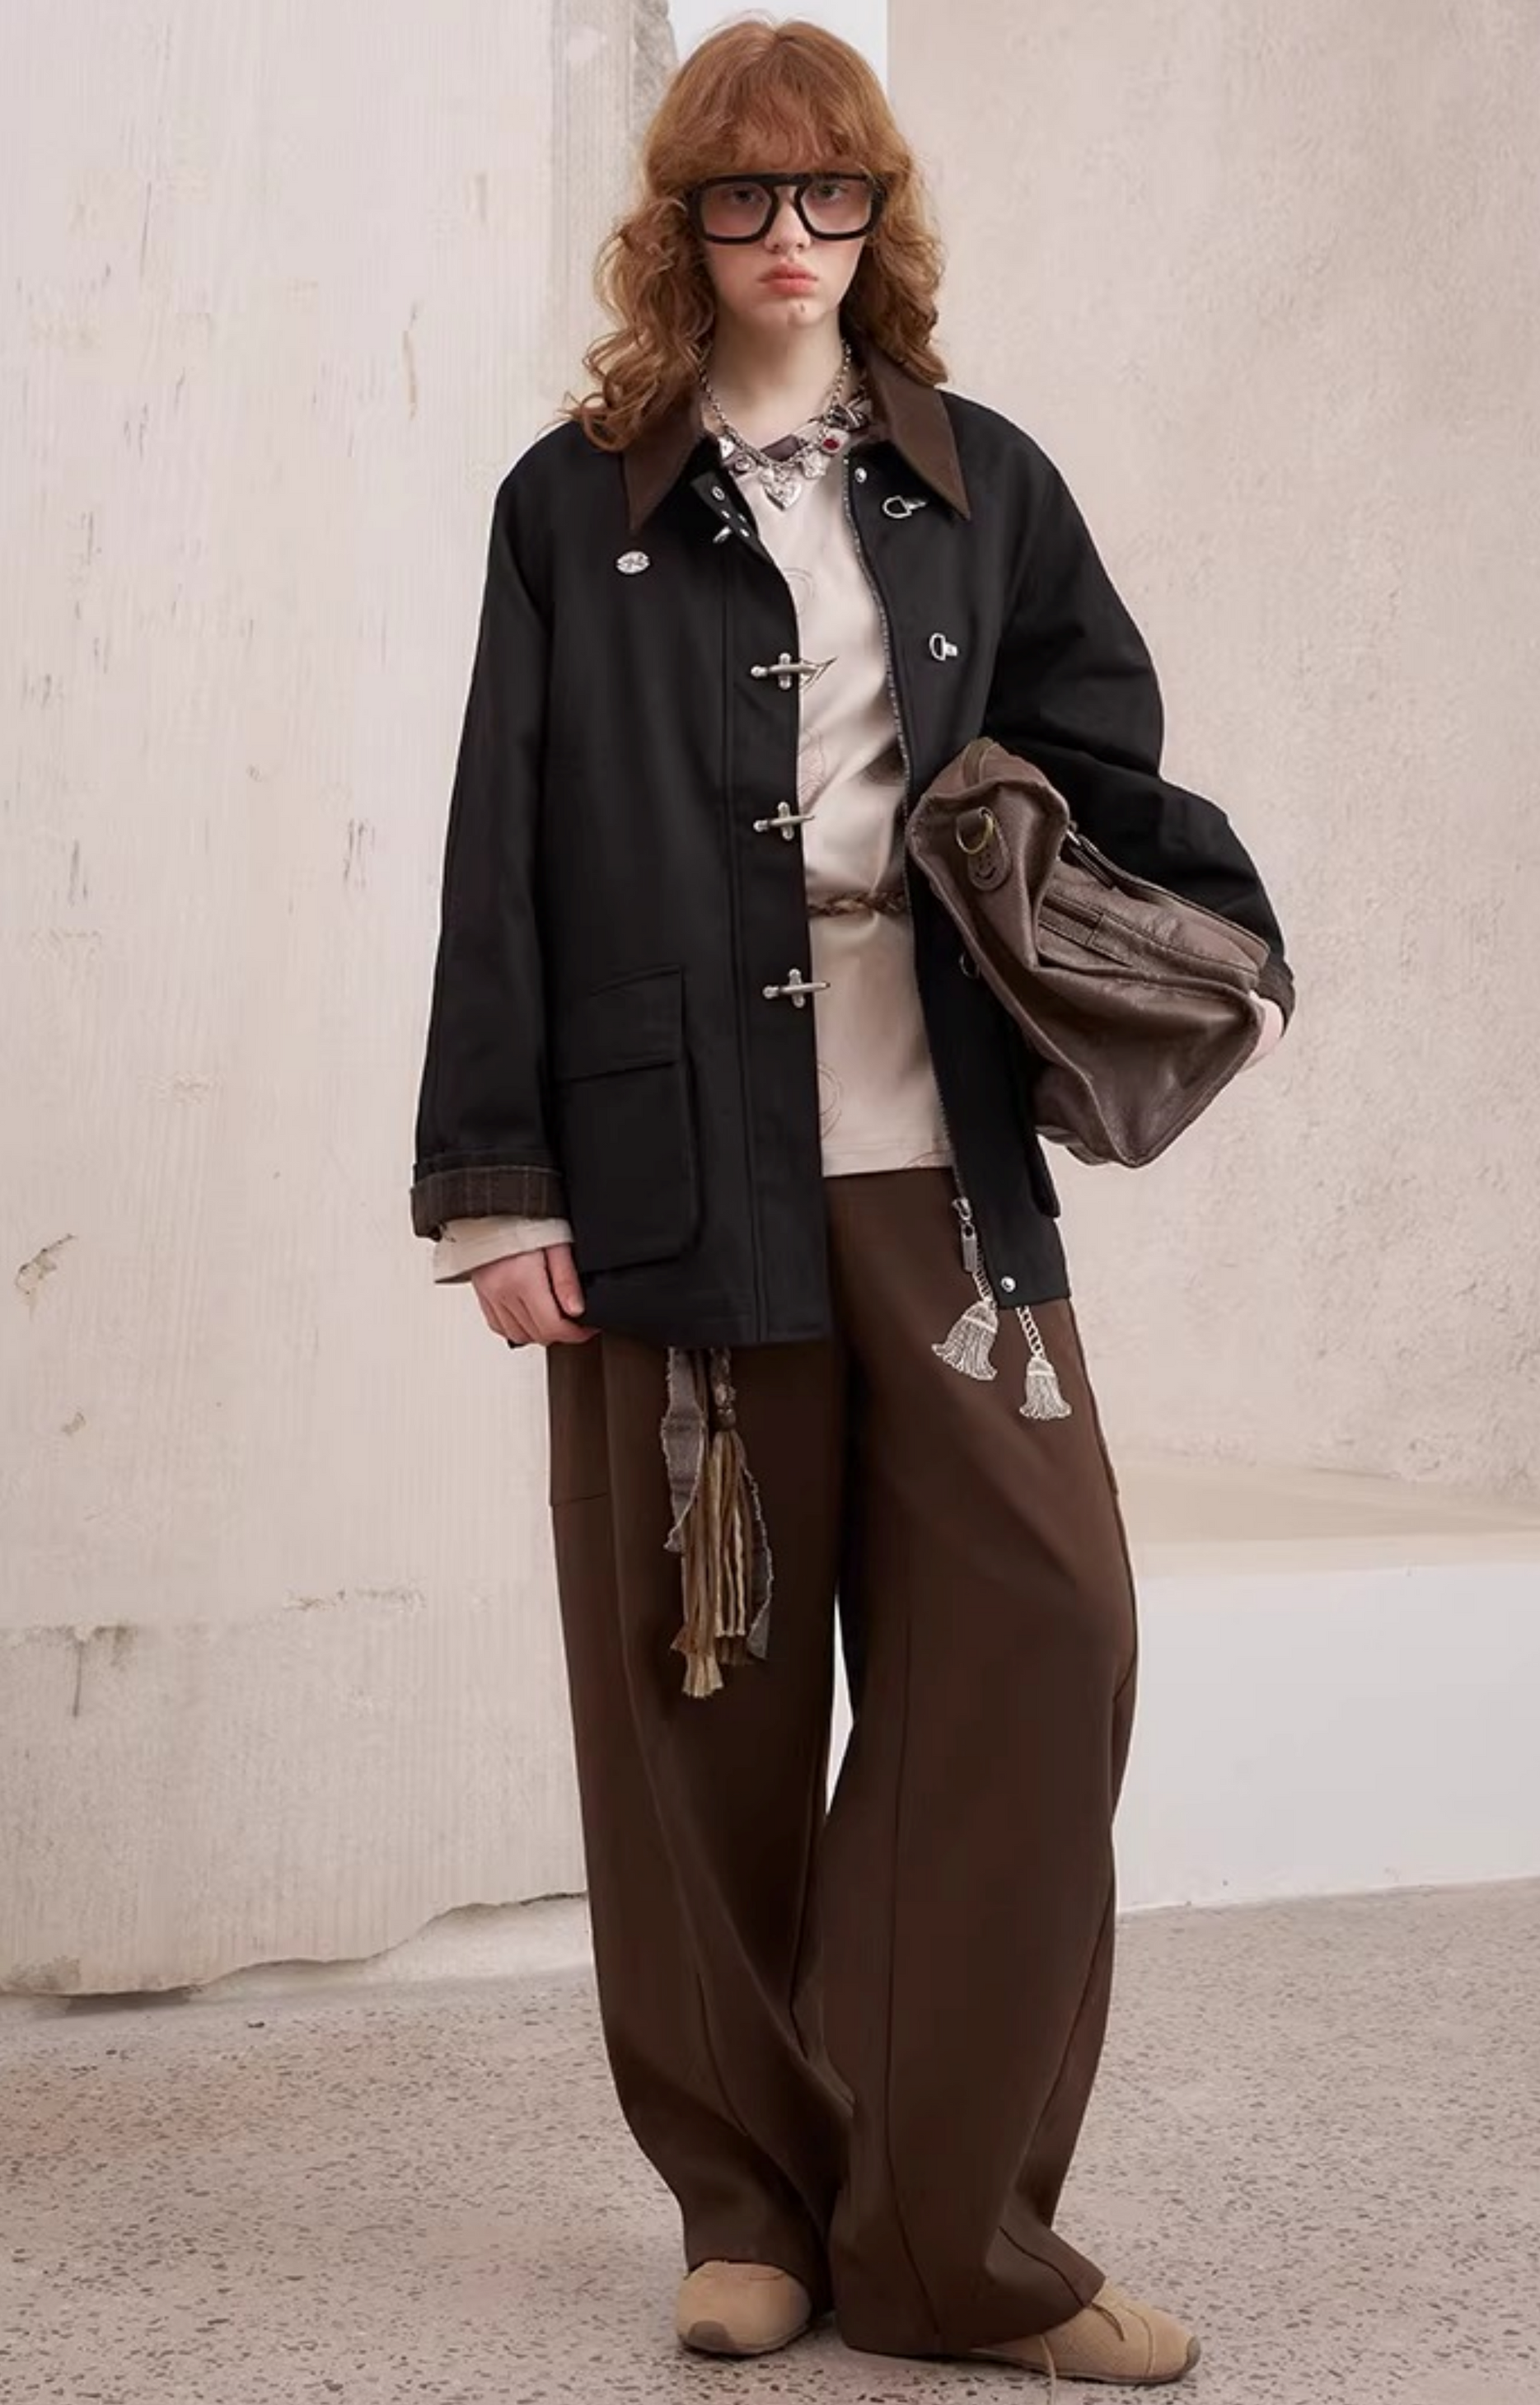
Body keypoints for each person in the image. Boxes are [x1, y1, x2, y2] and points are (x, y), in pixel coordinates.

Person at [409, 17, 1293, 2389]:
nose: (789, 237)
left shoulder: (986, 485)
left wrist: (1197, 936)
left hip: (944, 1173)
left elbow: (1105, 764)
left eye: (831, 196)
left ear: (879, 217)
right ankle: (750, 2208)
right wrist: (497, 1185)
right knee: (698, 1698)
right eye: (743, 197)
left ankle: (949, 2233)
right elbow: (499, 849)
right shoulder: (571, 506)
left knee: (1045, 1635)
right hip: (674, 1177)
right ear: (679, 222)